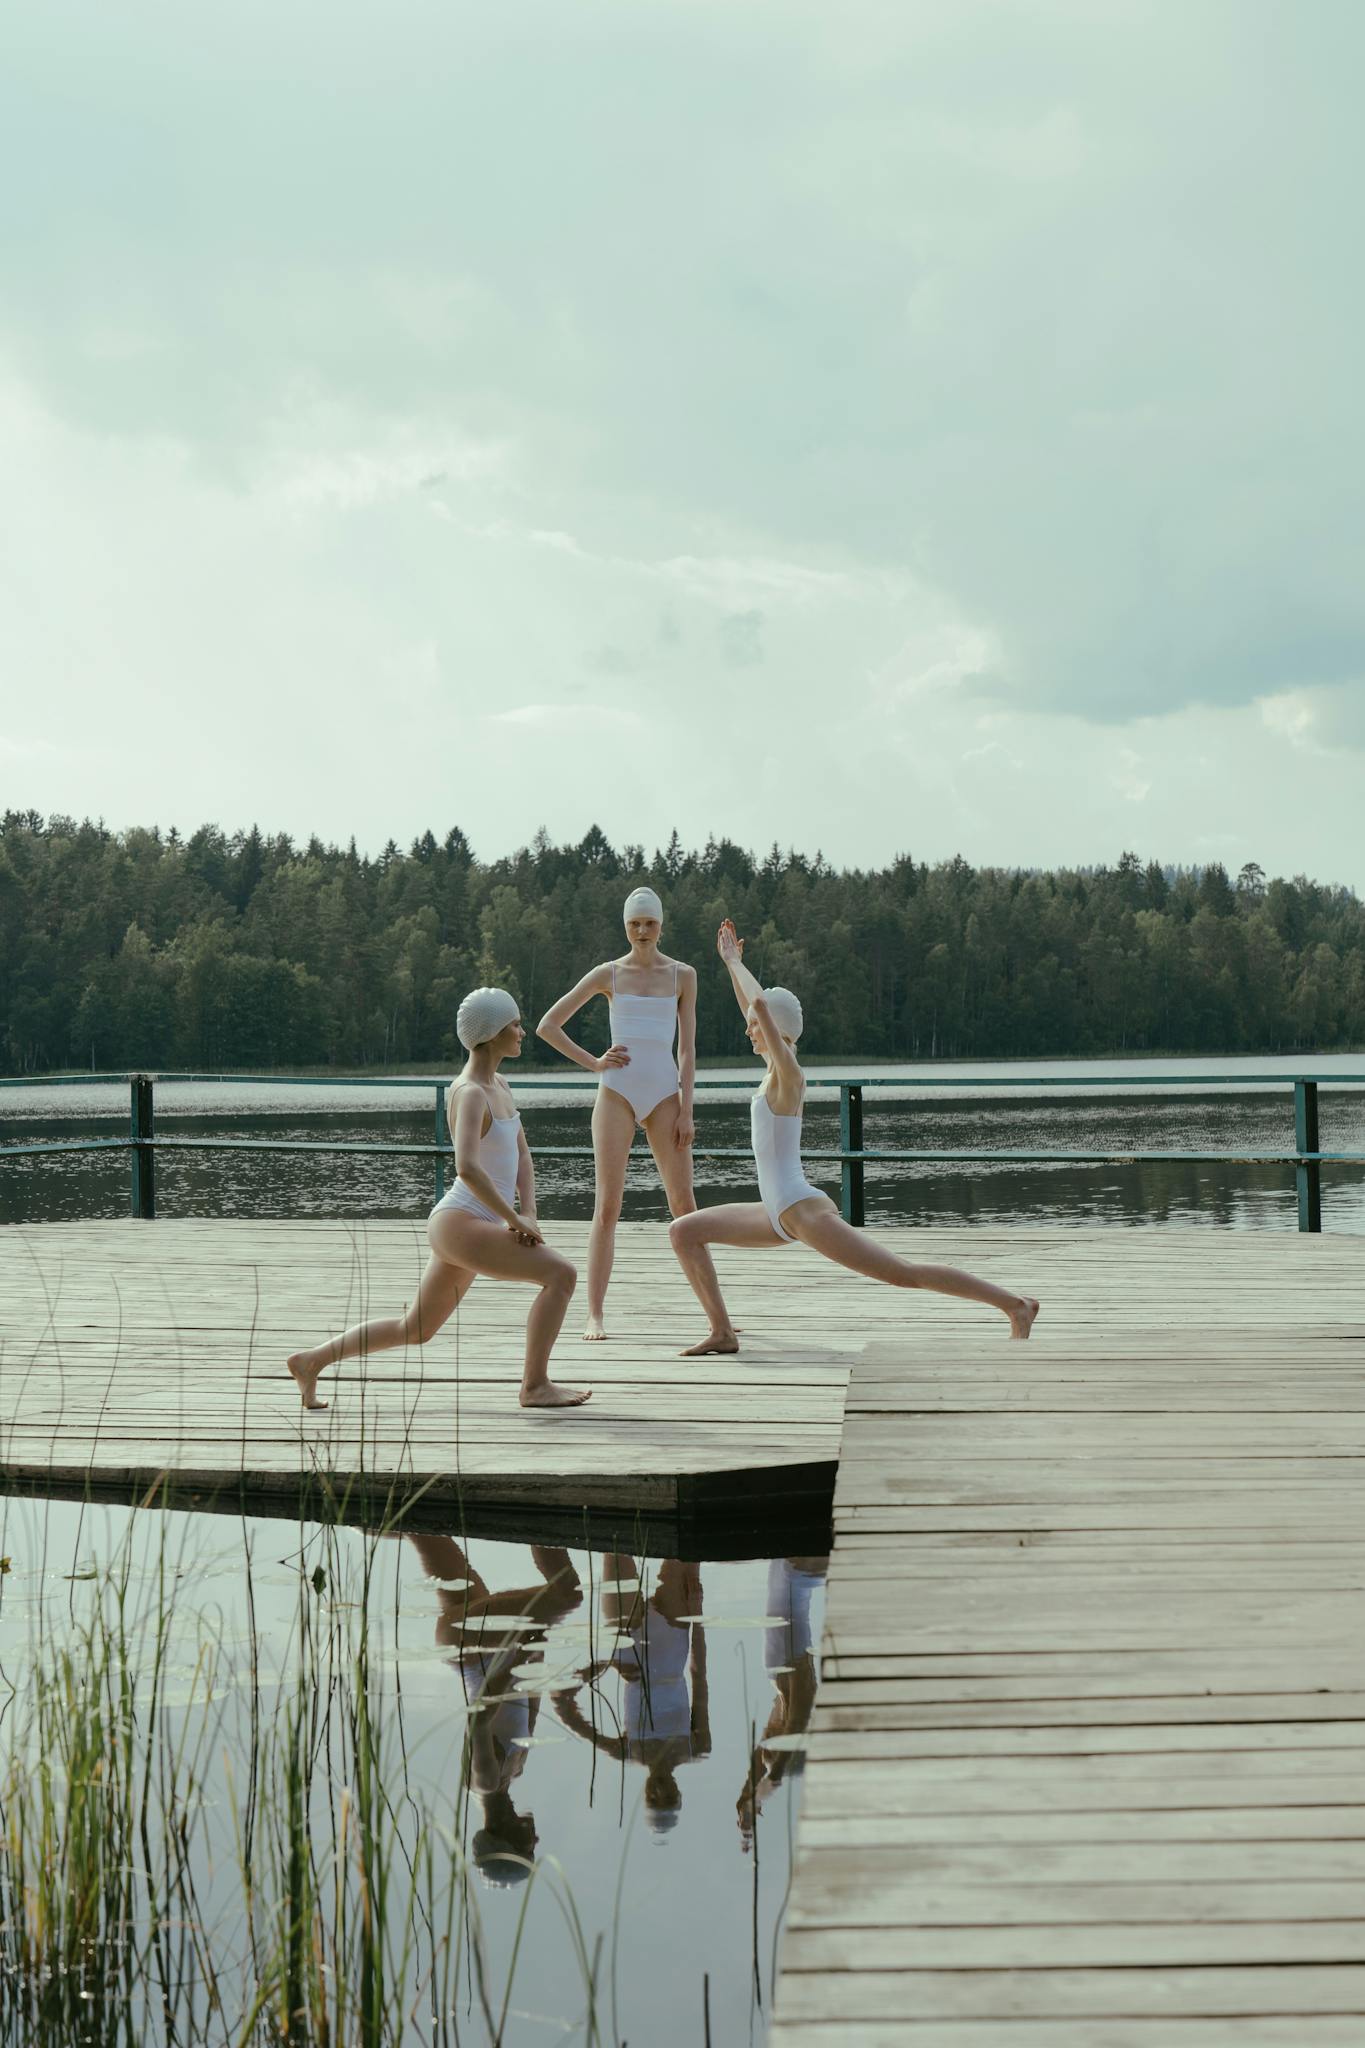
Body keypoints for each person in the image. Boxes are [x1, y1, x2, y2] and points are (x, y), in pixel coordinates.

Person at [668, 923, 1040, 1353]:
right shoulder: (772, 1070)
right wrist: (734, 970)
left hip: (801, 1211)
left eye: (756, 1026)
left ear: (777, 1030)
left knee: (902, 1273)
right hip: (774, 1211)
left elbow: (759, 1007)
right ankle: (722, 1332)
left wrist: (735, 962)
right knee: (684, 1232)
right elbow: (754, 1008)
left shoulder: (789, 1077)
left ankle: (1015, 1305)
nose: (748, 1029)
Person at [287, 986, 590, 1410]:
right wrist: (513, 1221)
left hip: (472, 1225)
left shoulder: (499, 1083)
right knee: (562, 1275)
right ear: (490, 1033)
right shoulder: (469, 1093)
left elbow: (522, 1154)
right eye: (515, 1025)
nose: (523, 1032)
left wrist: (529, 1211)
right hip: (461, 1223)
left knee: (416, 1328)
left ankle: (312, 1361)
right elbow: (467, 1167)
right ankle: (535, 1385)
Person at [537, 887, 698, 1340]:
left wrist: (687, 1108)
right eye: (634, 924)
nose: (642, 931)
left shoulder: (682, 976)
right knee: (607, 1206)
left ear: (661, 925)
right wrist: (593, 1063)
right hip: (617, 1095)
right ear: (625, 927)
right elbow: (548, 1025)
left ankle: (713, 1310)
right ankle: (595, 1314)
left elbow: (686, 1050)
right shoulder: (608, 973)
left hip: (666, 1095)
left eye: (649, 923)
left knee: (684, 1206)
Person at [406, 1533, 584, 1889]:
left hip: (470, 1646)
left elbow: (478, 1717)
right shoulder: (514, 1771)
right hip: (488, 1645)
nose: (535, 1842)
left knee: (566, 1594)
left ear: (506, 1839)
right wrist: (536, 1652)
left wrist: (517, 1657)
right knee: (426, 1532)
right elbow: (529, 1700)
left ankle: (542, 1514)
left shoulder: (484, 1782)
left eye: (526, 1849)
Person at [551, 1555, 710, 1837]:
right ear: (678, 1793)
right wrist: (696, 1615)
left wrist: (601, 1668)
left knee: (615, 1549)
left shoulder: (626, 1752)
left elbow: (562, 1706)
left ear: (645, 1796)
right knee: (684, 1548)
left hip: (625, 1644)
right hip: (673, 1639)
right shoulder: (696, 1747)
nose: (660, 1790)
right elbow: (699, 1677)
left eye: (653, 1799)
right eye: (669, 1798)